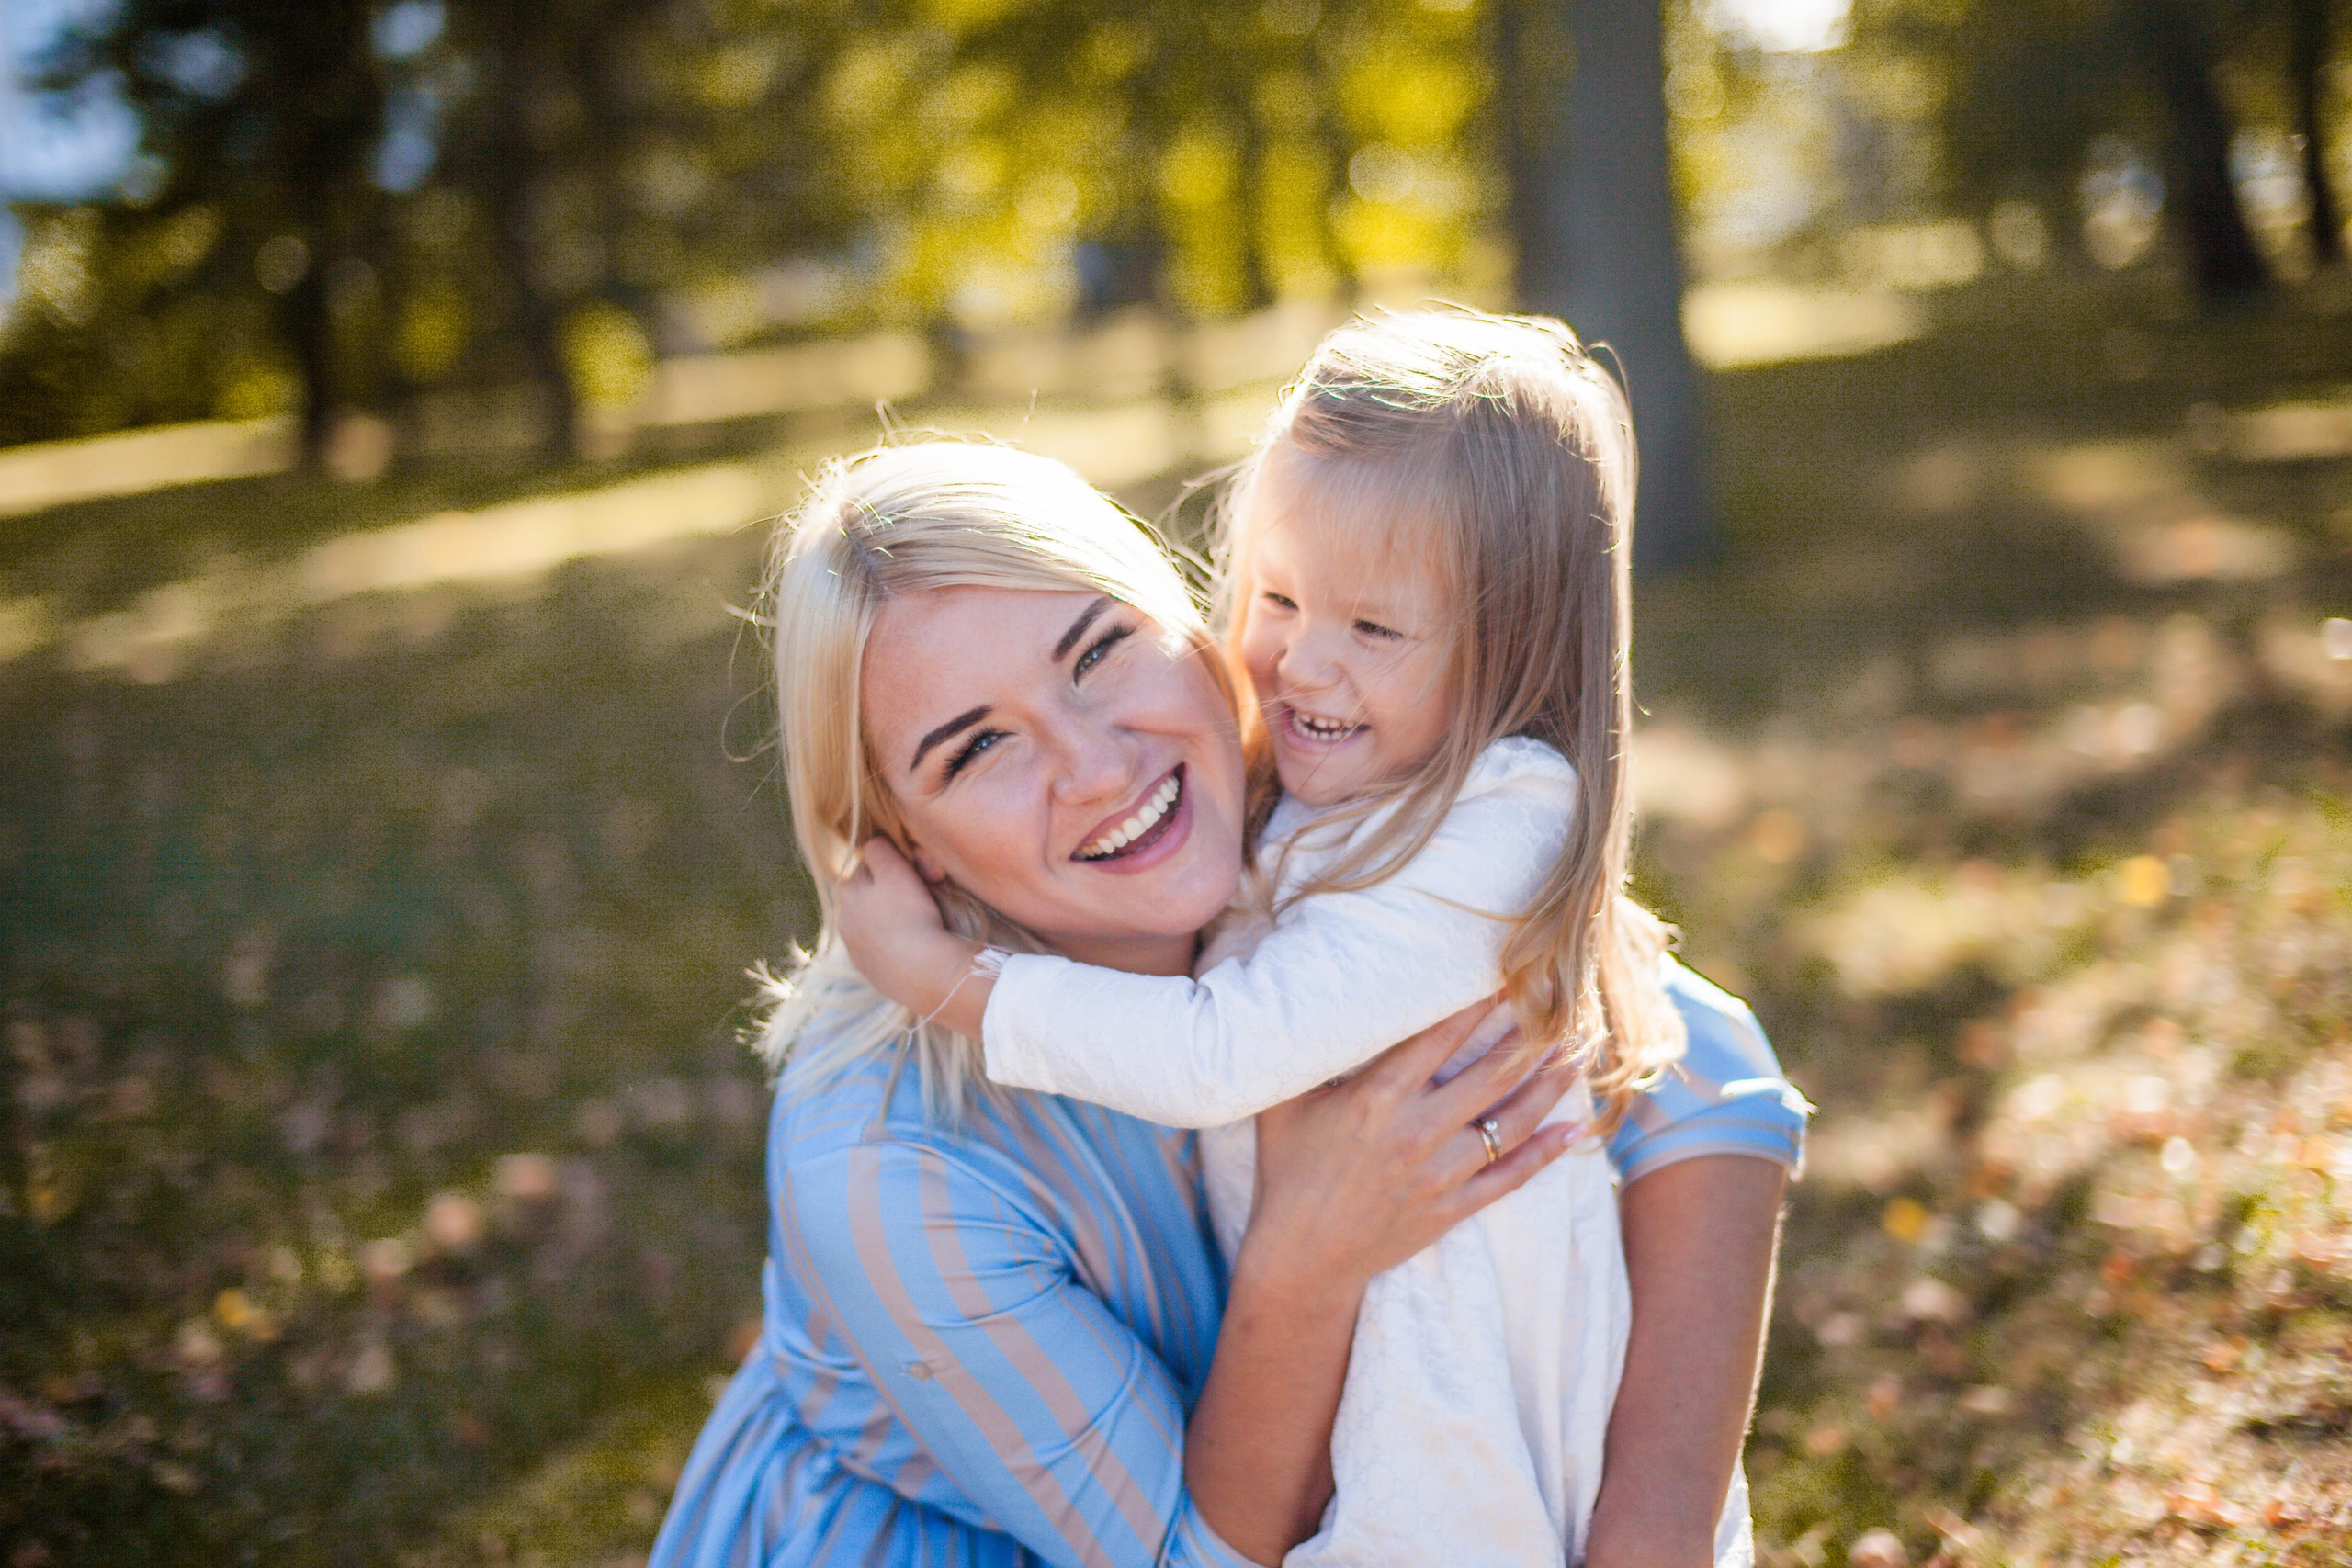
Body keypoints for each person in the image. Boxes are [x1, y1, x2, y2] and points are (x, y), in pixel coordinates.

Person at [650, 437, 1807, 1568]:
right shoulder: (886, 1167)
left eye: (1098, 653)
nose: (1097, 766)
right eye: (979, 747)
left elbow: (1706, 1073)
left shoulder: (1297, 808)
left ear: (1192, 634)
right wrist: (1312, 1253)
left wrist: (1652, 1532)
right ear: (905, 847)